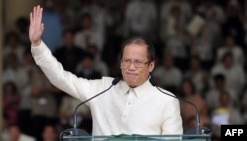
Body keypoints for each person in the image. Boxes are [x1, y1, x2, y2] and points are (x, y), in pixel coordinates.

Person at [29, 5, 183, 135]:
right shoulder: (103, 88)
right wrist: (37, 44)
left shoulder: (166, 100)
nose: (131, 67)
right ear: (120, 63)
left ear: (151, 66)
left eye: (138, 62)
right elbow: (62, 79)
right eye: (127, 61)